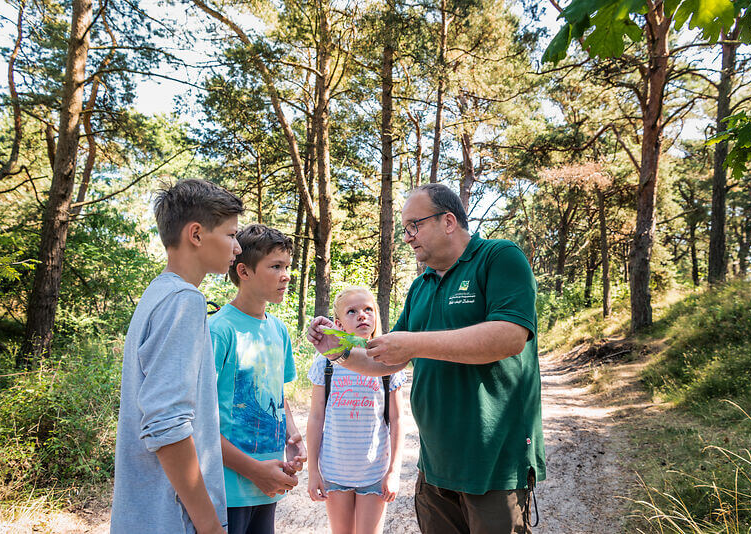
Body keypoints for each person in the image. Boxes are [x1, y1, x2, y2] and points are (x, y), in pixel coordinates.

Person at [308, 183, 546, 534]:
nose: (407, 237)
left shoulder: (499, 257)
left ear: (448, 221)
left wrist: (415, 344)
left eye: (414, 226)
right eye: (405, 229)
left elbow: (509, 337)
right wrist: (337, 350)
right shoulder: (421, 286)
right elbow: (386, 360)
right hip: (435, 466)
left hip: (494, 463)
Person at [111, 178, 244, 534]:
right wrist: (210, 526)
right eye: (231, 235)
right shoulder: (184, 301)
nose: (237, 247)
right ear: (196, 234)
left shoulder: (158, 293)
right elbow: (166, 425)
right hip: (173, 518)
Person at [208, 224, 308, 534]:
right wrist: (253, 471)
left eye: (288, 266)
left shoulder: (278, 330)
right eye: (276, 266)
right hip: (228, 488)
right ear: (244, 271)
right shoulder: (219, 330)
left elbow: (277, 392)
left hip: (268, 482)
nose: (286, 275)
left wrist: (292, 437)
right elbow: (199, 420)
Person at [305, 287, 407, 534]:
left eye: (368, 309)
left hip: (374, 472)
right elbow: (316, 417)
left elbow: (397, 418)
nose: (362, 315)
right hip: (335, 469)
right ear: (339, 324)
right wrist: (312, 472)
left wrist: (394, 471)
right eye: (352, 311)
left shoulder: (388, 361)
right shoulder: (326, 362)